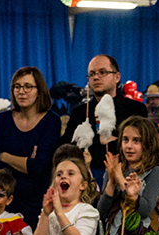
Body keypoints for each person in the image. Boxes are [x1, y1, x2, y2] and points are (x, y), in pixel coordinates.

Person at [0, 66, 62, 228]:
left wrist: (4, 156)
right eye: (17, 87)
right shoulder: (2, 120)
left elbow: (39, 166)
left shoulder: (51, 121)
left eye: (28, 86)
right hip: (2, 201)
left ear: (39, 90)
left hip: (36, 201)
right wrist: (26, 162)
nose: (21, 91)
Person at [59, 54, 147, 186]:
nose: (96, 77)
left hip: (127, 178)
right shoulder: (79, 112)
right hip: (88, 180)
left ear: (117, 77)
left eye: (102, 72)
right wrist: (106, 140)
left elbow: (141, 147)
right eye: (92, 74)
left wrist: (95, 143)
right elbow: (68, 148)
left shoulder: (135, 110)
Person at [97, 115, 159, 235]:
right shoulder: (115, 167)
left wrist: (120, 179)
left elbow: (145, 210)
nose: (129, 146)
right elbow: (101, 213)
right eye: (125, 140)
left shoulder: (155, 171)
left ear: (148, 143)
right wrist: (111, 181)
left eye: (136, 141)